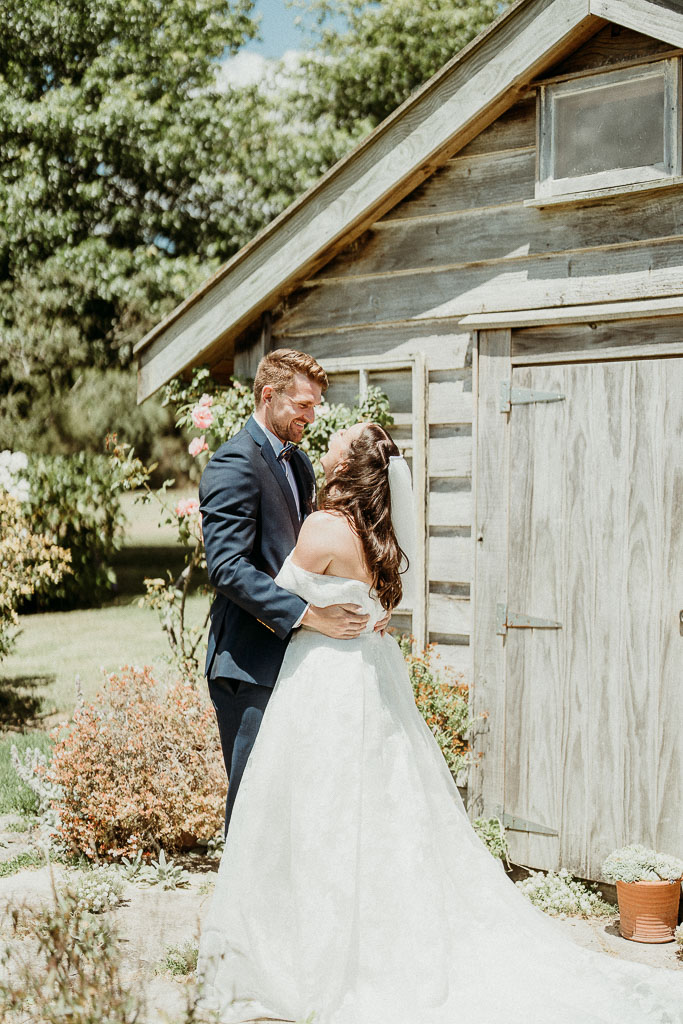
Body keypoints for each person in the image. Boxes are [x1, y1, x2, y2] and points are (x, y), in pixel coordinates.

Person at [197, 422, 683, 1024]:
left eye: (337, 444)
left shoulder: (323, 528)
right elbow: (377, 602)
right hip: (370, 680)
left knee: (317, 812)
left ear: (348, 467)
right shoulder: (383, 537)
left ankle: (309, 955)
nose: (324, 445)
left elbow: (280, 589)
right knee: (377, 812)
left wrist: (313, 610)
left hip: (322, 679)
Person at [199, 349, 376, 834]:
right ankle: (239, 909)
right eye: (302, 403)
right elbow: (228, 569)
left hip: (302, 665)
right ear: (268, 394)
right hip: (249, 662)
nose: (311, 416)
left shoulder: (298, 465)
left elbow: (310, 555)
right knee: (254, 799)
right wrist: (312, 616)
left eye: (315, 405)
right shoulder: (233, 463)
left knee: (294, 803)